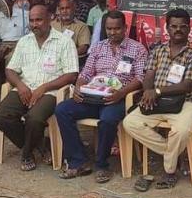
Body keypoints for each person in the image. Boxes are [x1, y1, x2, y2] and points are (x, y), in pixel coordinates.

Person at [56, 11, 146, 183]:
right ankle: (78, 161)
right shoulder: (98, 47)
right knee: (62, 110)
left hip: (117, 97)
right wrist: (78, 86)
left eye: (117, 29)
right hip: (93, 96)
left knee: (108, 119)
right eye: (109, 29)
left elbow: (140, 78)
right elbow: (86, 72)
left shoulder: (137, 49)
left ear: (125, 28)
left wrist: (122, 93)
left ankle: (102, 164)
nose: (112, 33)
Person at [123, 8, 192, 190]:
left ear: (189, 29)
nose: (178, 30)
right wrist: (148, 92)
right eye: (173, 26)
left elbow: (187, 86)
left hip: (187, 102)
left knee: (181, 131)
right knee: (130, 123)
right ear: (167, 28)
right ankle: (173, 155)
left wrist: (158, 91)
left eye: (182, 27)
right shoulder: (157, 50)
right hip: (158, 102)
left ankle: (170, 170)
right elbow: (149, 76)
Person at [0, 5, 78, 172]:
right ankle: (39, 145)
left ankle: (26, 153)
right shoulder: (25, 41)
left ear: (50, 19)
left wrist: (44, 87)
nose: (34, 24)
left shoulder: (64, 42)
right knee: (1, 115)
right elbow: (10, 70)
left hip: (51, 92)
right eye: (31, 20)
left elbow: (72, 74)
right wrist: (20, 85)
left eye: (38, 19)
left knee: (34, 118)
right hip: (24, 89)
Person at [0, 0, 30, 86]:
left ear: (12, 3)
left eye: (7, 4)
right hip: (3, 44)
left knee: (11, 57)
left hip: (20, 43)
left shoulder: (24, 14)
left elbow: (30, 34)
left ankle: (9, 84)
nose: (5, 8)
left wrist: (20, 46)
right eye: (2, 6)